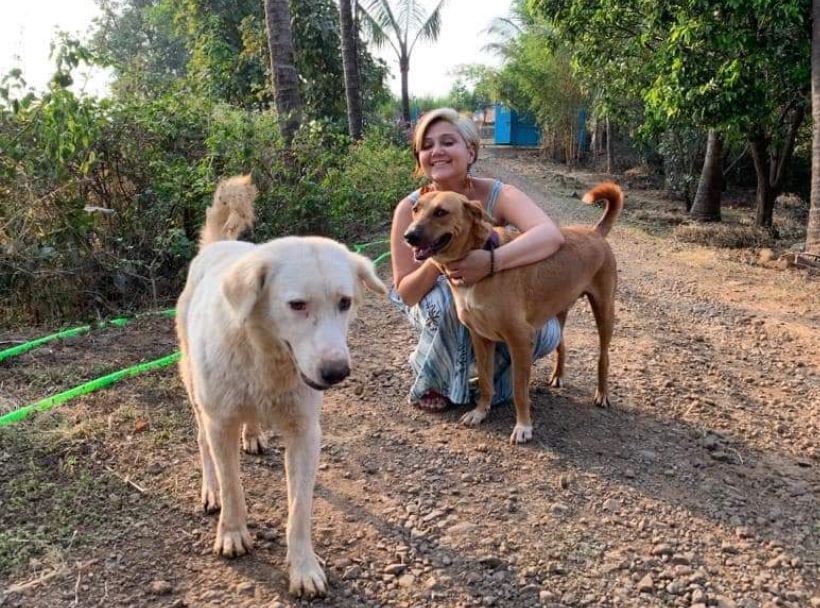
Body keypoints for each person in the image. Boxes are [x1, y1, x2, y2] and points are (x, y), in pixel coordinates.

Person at [389, 107, 565, 411]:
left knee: (541, 330)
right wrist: (439, 259)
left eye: (447, 142)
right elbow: (406, 293)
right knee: (453, 301)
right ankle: (435, 377)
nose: (437, 151)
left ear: (470, 151)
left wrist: (491, 262)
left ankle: (487, 382)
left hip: (494, 297)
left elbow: (551, 235)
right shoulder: (411, 208)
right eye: (427, 145)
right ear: (419, 158)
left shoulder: (499, 195)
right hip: (436, 304)